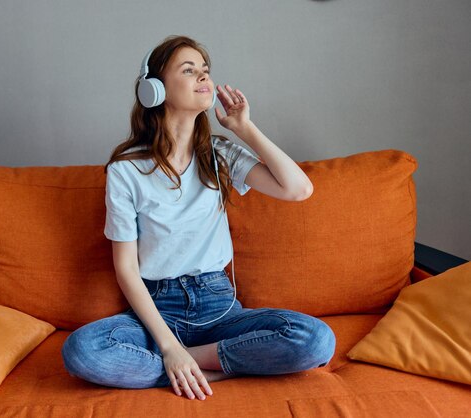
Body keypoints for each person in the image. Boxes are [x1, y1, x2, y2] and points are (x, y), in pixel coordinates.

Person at [61, 35, 336, 401]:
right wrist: (167, 344)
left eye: (205, 70)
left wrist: (244, 128)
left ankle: (191, 365)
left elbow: (298, 189)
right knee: (82, 351)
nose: (203, 78)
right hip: (158, 310)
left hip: (219, 308)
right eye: (188, 70)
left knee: (316, 340)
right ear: (153, 89)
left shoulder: (219, 155)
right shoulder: (126, 171)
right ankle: (206, 367)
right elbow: (126, 268)